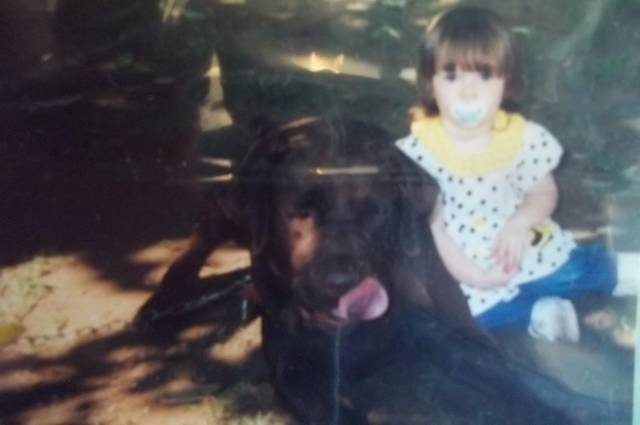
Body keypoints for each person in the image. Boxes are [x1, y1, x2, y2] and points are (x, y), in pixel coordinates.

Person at [395, 6, 638, 342]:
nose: (468, 92)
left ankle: (621, 272)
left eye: (484, 77)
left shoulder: (518, 136)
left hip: (523, 247)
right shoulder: (418, 152)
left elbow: (543, 192)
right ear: (429, 82)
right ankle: (539, 314)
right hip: (466, 264)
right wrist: (475, 276)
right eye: (452, 77)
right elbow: (432, 229)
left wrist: (520, 223)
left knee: (569, 270)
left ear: (506, 82)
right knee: (478, 315)